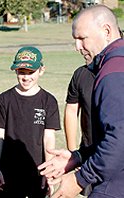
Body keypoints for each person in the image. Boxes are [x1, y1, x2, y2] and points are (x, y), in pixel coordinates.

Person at [38, 5, 124, 198]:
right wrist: (78, 156)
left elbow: (120, 138)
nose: (77, 47)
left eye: (82, 38)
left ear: (107, 31)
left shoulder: (113, 72)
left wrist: (80, 178)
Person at [0, 46, 61, 197]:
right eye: (22, 72)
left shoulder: (48, 101)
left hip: (38, 170)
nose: (26, 77)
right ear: (15, 71)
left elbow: (49, 138)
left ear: (41, 70)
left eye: (31, 72)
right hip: (9, 171)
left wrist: (48, 172)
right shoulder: (4, 99)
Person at [64, 64, 95, 151]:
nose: (79, 49)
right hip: (89, 151)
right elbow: (71, 111)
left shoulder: (117, 72)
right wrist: (73, 152)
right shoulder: (81, 74)